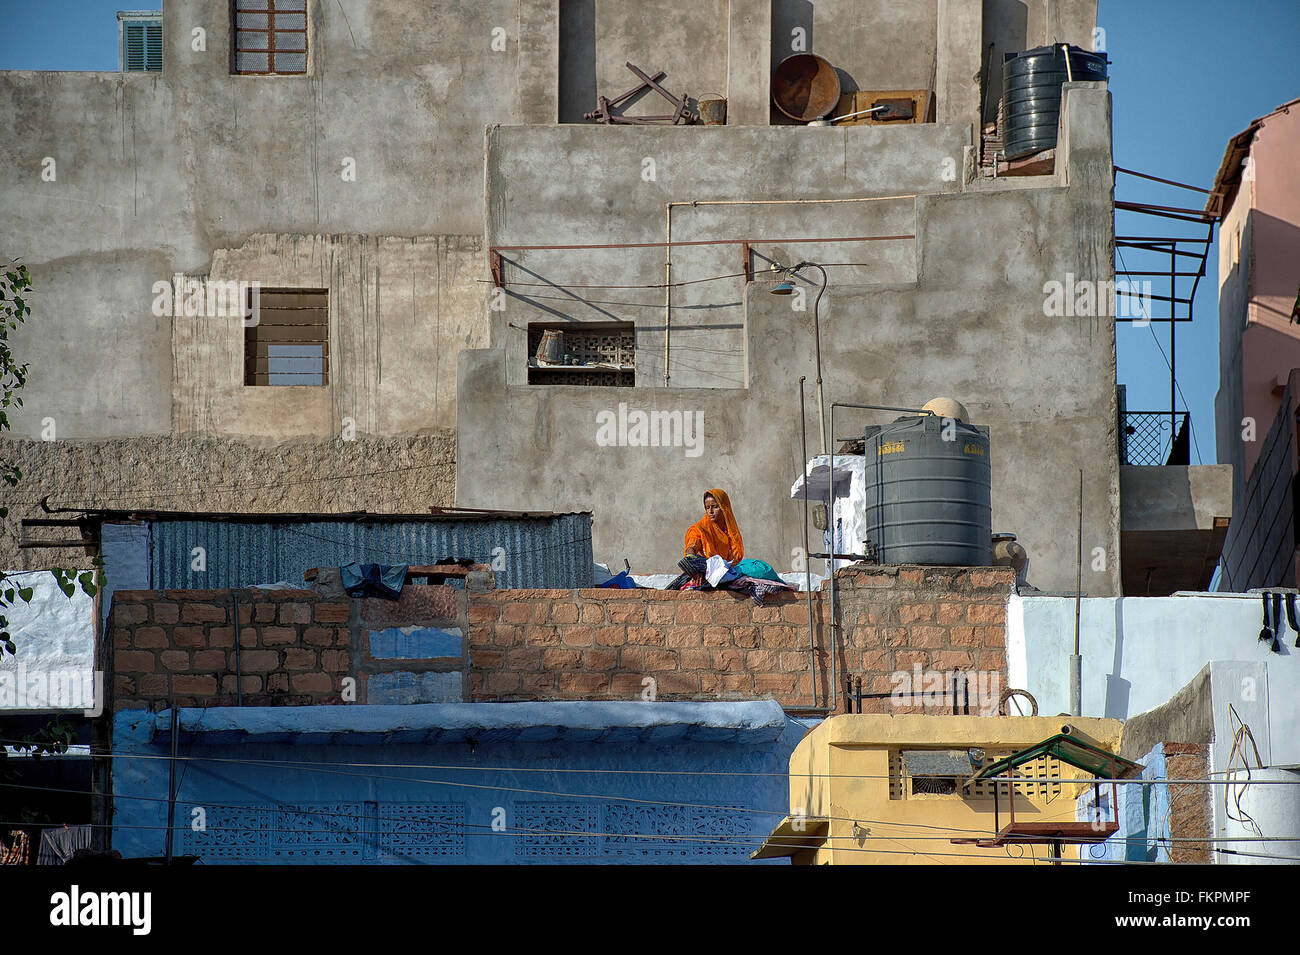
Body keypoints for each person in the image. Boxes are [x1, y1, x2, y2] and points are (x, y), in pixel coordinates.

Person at [683, 488, 744, 563]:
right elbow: (692, 544)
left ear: (724, 508)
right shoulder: (700, 529)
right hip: (708, 571)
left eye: (715, 507)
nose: (710, 511)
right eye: (707, 508)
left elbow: (735, 556)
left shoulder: (730, 530)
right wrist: (690, 555)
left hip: (729, 570)